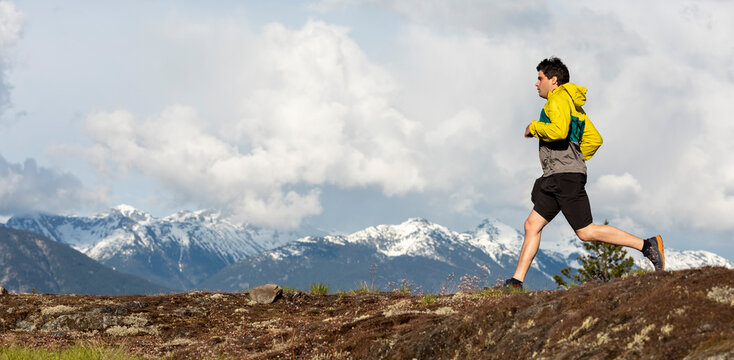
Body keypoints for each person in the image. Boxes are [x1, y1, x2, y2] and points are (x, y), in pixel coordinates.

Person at [503, 57, 664, 290]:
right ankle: (516, 282)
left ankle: (647, 245)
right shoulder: (573, 105)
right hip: (560, 175)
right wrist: (574, 159)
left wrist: (534, 127)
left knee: (586, 232)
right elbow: (594, 140)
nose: (536, 83)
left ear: (553, 80)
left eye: (540, 78)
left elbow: (558, 132)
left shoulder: (557, 100)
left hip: (563, 176)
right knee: (532, 225)